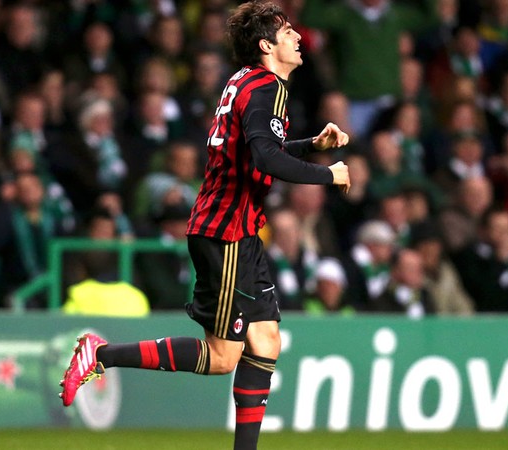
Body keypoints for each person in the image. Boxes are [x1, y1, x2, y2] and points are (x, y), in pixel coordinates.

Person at [59, 3, 351, 450]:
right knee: (220, 357)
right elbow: (265, 158)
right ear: (266, 46)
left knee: (266, 339)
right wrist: (328, 174)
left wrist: (312, 145)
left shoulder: (244, 82)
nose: (297, 36)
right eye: (288, 30)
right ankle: (99, 354)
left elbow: (255, 149)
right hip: (225, 232)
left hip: (240, 230)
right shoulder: (268, 88)